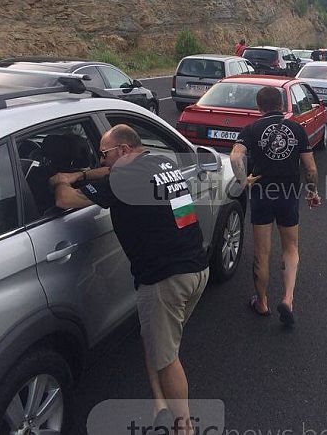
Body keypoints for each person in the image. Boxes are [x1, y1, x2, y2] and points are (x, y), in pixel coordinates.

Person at [49, 124, 208, 434]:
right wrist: (82, 174)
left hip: (165, 279)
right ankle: (159, 402)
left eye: (104, 154)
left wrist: (60, 180)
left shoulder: (123, 178)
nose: (101, 160)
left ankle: (184, 427)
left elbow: (64, 201)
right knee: (155, 339)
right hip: (196, 268)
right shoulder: (162, 164)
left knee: (166, 359)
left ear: (123, 151)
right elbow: (105, 174)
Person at [230, 87, 319, 327]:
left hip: (261, 193)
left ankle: (262, 302)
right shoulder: (297, 129)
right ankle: (288, 299)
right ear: (281, 104)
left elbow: (235, 157)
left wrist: (242, 181)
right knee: (290, 247)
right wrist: (313, 192)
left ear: (258, 107)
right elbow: (310, 168)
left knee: (262, 253)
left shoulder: (250, 130)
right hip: (288, 193)